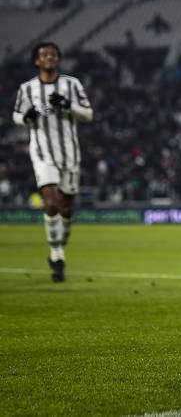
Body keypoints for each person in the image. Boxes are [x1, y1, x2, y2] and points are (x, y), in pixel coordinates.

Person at [12, 42, 93, 282]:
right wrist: (27, 117)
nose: (49, 57)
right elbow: (17, 115)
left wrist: (68, 106)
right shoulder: (27, 89)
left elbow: (89, 114)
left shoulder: (72, 84)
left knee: (66, 208)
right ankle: (57, 256)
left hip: (69, 154)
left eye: (53, 54)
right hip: (42, 152)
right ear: (37, 61)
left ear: (57, 59)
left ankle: (60, 244)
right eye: (44, 55)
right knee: (50, 200)